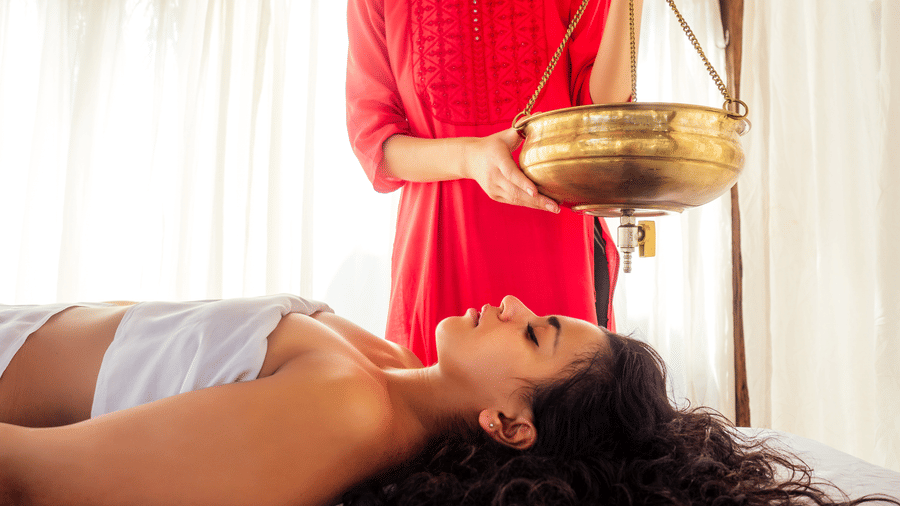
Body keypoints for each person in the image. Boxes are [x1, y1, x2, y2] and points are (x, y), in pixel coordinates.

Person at [1, 294, 898, 506]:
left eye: (534, 333)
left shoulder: (343, 416)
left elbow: (35, 481)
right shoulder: (382, 365)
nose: (510, 304)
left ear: (509, 424)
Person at [346, 0, 644, 365]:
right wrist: (470, 158)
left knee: (558, 410)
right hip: (441, 247)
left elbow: (601, 112)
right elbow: (375, 141)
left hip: (554, 245)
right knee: (437, 407)